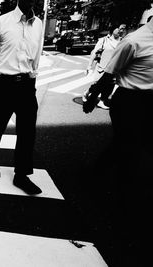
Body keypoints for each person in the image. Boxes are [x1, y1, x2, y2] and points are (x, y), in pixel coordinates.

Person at [83, 17, 153, 266]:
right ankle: (125, 211)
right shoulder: (134, 41)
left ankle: (96, 174)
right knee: (130, 152)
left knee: (125, 146)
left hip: (150, 102)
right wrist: (92, 97)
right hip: (131, 102)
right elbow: (110, 72)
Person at [0, 0, 43, 195]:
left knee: (27, 131)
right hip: (3, 84)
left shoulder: (39, 24)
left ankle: (21, 175)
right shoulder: (0, 22)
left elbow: (36, 56)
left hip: (26, 84)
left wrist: (32, 82)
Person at [83, 26, 120, 109]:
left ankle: (102, 101)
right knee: (97, 85)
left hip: (114, 67)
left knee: (110, 85)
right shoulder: (104, 40)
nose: (119, 31)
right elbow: (95, 53)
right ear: (112, 30)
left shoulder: (122, 41)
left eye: (121, 29)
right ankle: (86, 93)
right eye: (117, 29)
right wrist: (89, 66)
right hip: (102, 67)